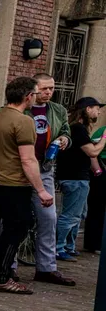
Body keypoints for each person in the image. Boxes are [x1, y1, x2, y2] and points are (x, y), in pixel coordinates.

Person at [0, 77, 52, 294]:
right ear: (28, 96)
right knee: (17, 228)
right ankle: (2, 277)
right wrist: (41, 190)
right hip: (14, 184)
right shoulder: (24, 121)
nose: (36, 98)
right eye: (35, 94)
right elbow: (28, 159)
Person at [27, 74, 74, 281]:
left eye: (51, 88)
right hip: (20, 168)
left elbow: (66, 132)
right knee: (17, 218)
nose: (48, 92)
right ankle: (8, 267)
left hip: (45, 167)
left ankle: (46, 267)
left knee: (49, 217)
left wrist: (64, 139)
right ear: (34, 88)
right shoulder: (23, 107)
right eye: (44, 88)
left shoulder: (58, 110)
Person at [55, 97, 104, 259]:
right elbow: (93, 152)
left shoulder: (77, 128)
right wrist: (104, 138)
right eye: (97, 109)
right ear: (88, 109)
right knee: (70, 215)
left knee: (79, 214)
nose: (99, 112)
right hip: (74, 178)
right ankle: (58, 248)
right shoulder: (77, 129)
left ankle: (69, 246)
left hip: (78, 177)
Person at [86, 120, 106, 254]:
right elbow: (91, 152)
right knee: (97, 208)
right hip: (102, 171)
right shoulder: (102, 131)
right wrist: (98, 171)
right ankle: (94, 243)